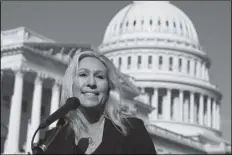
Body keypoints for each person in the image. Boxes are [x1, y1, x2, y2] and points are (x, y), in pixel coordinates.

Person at [37, 50, 157, 154]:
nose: (91, 83)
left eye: (100, 77)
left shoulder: (133, 131)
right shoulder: (52, 140)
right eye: (83, 74)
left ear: (109, 88)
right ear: (71, 84)